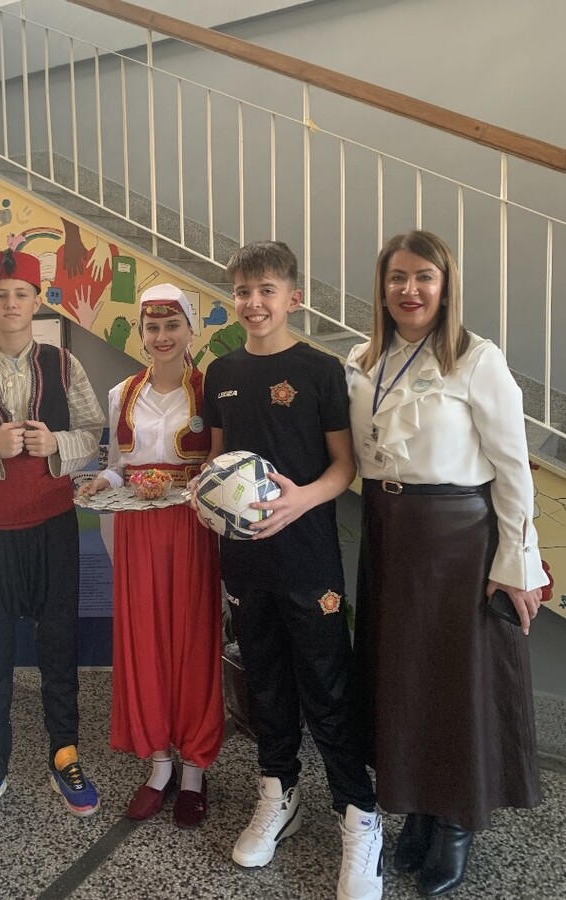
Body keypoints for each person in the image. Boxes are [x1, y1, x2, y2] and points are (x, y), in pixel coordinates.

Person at [345, 230, 547, 897]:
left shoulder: (476, 359)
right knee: (402, 679)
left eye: (423, 277)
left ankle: (456, 817)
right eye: (397, 277)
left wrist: (515, 560)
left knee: (454, 681)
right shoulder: (363, 358)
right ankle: (418, 806)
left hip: (457, 538)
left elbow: (512, 467)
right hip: (387, 530)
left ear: (445, 285)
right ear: (382, 287)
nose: (409, 290)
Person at [198, 241, 382, 900]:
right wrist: (208, 497)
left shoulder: (321, 370)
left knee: (327, 687)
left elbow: (344, 467)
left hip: (308, 557)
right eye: (243, 291)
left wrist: (302, 498)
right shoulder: (220, 371)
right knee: (266, 683)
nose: (253, 303)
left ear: (293, 298)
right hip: (244, 561)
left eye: (266, 290)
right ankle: (279, 792)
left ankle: (358, 813)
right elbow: (217, 462)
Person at [0, 248, 105, 830]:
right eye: (1, 295)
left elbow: (92, 433)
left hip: (53, 524)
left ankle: (65, 753)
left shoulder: (63, 364)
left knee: (59, 641)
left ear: (38, 301)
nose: (11, 304)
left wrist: (57, 444)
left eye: (21, 295)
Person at [78, 284, 223, 828]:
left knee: (193, 640)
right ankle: (160, 765)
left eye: (172, 325)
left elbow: (220, 464)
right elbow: (120, 465)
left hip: (192, 528)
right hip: (137, 529)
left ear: (190, 330)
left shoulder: (211, 392)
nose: (162, 337)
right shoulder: (122, 393)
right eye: (152, 327)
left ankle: (195, 770)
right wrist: (105, 480)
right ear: (141, 333)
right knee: (143, 641)